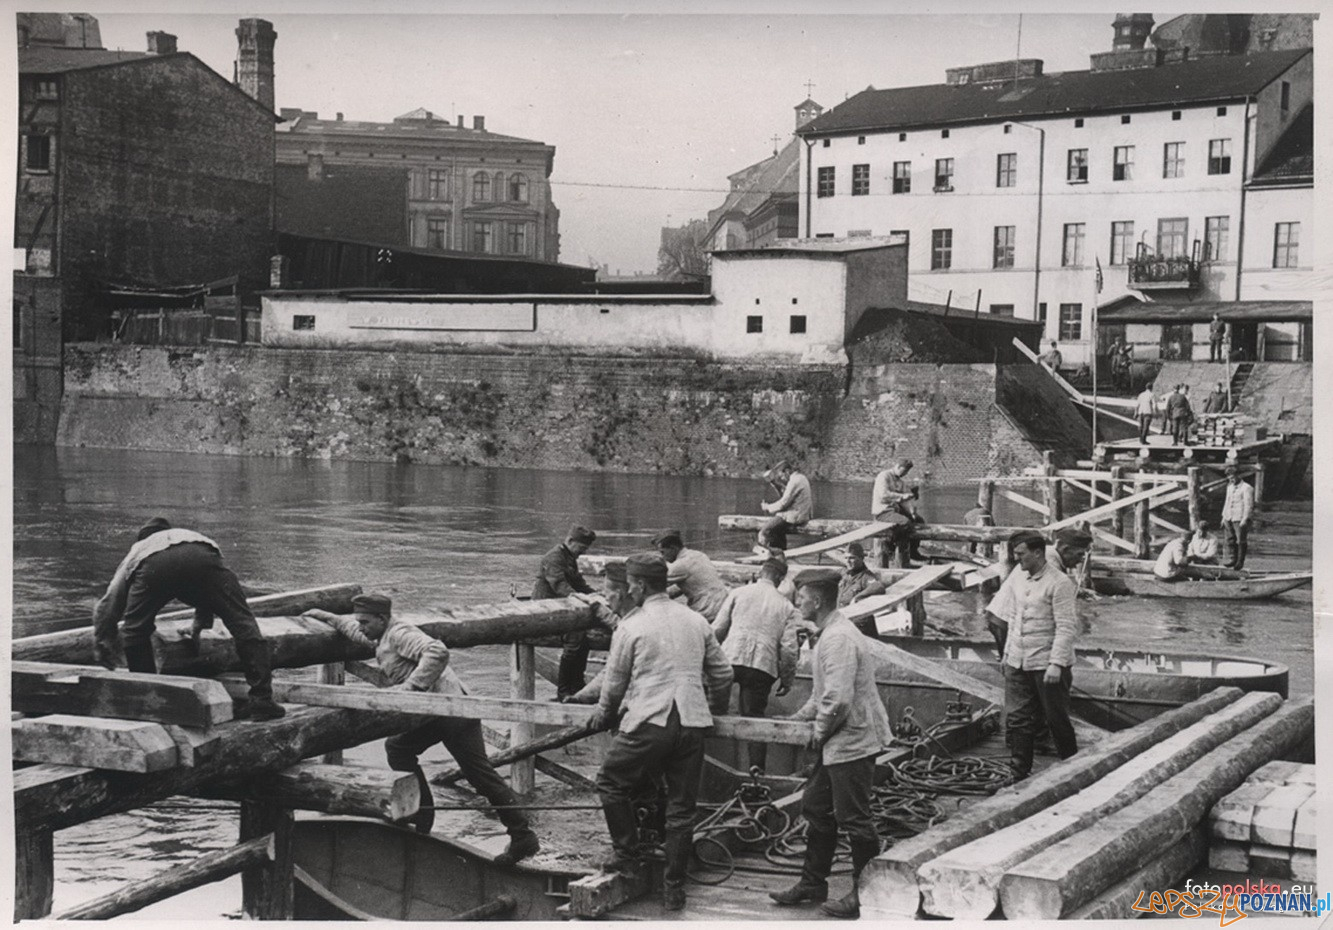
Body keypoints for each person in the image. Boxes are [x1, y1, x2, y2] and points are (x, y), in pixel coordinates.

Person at [307, 593, 541, 865]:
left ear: (383, 619)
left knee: (477, 774)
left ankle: (520, 836)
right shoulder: (381, 633)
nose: (361, 627)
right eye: (359, 621)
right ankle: (423, 812)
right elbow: (354, 631)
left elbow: (437, 651)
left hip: (452, 710)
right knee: (400, 749)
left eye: (365, 622)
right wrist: (324, 616)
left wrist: (412, 687)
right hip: (436, 711)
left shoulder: (400, 633)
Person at [591, 553, 733, 912]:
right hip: (692, 724)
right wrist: (713, 708)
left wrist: (603, 715)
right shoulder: (695, 620)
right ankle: (673, 889)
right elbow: (723, 674)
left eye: (631, 585)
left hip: (652, 721)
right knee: (682, 808)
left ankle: (627, 853)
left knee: (610, 781)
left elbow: (614, 684)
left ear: (637, 586)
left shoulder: (631, 625)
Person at [770, 571, 893, 919]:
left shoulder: (838, 638)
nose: (797, 603)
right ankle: (813, 883)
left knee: (854, 818)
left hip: (852, 739)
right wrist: (797, 720)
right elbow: (822, 694)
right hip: (839, 739)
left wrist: (817, 733)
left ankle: (866, 893)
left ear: (818, 601)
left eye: (801, 597)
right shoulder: (829, 634)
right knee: (815, 804)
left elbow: (837, 701)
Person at [92, 517, 283, 720]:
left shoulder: (140, 549)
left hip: (155, 567)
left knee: (135, 630)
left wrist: (103, 641)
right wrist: (201, 624)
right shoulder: (188, 536)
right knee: (243, 624)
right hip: (204, 557)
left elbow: (110, 602)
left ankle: (149, 700)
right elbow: (207, 585)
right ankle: (262, 700)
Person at [997, 531, 1078, 781]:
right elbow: (1012, 618)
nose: (1016, 558)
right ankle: (1019, 771)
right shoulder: (1018, 578)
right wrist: (1008, 653)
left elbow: (1066, 626)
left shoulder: (1060, 582)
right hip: (1018, 660)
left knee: (1056, 719)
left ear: (1037, 553)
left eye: (1021, 554)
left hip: (1047, 664)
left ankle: (1073, 769)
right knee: (1019, 717)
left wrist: (1056, 663)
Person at [711, 558, 801, 772]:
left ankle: (711, 760)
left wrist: (707, 665)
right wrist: (787, 679)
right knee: (755, 720)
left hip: (730, 658)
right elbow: (789, 649)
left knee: (714, 709)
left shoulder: (738, 593)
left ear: (761, 573)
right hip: (762, 665)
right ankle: (756, 770)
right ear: (780, 579)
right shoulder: (787, 607)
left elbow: (717, 630)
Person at [534, 524, 599, 699]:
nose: (582, 552)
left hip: (561, 608)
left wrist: (596, 595)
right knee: (574, 638)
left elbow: (579, 583)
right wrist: (583, 598)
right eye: (582, 548)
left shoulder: (569, 558)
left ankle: (577, 686)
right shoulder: (554, 558)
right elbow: (559, 586)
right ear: (570, 541)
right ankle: (563, 690)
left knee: (583, 640)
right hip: (544, 610)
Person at [656, 529, 730, 621]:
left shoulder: (681, 565)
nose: (663, 557)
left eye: (663, 552)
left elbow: (652, 580)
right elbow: (686, 585)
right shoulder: (698, 555)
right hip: (723, 605)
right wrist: (665, 595)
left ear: (673, 548)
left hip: (707, 610)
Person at [872, 458, 924, 564]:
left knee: (919, 521)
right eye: (904, 471)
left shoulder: (901, 482)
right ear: (898, 467)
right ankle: (890, 547)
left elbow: (906, 502)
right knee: (904, 522)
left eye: (907, 472)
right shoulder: (884, 476)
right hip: (883, 511)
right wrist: (902, 496)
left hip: (895, 511)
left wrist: (912, 512)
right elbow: (883, 496)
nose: (905, 474)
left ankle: (913, 550)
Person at [759, 462, 813, 552]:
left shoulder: (794, 481)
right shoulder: (800, 478)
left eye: (782, 475)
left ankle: (773, 557)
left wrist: (767, 507)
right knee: (777, 530)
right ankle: (782, 554)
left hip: (796, 516)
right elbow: (786, 494)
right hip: (800, 514)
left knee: (765, 532)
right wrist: (774, 483)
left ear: (787, 471)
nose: (782, 478)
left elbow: (783, 503)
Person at [1220, 467, 1255, 570]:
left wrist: (1245, 518)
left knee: (1240, 540)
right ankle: (1231, 559)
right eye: (1229, 478)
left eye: (1233, 477)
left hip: (1239, 517)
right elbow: (1227, 502)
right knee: (1229, 539)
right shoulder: (1229, 487)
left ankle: (1240, 562)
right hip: (1229, 516)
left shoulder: (1246, 488)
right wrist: (1223, 516)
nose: (1231, 480)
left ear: (1238, 475)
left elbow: (1249, 505)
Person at [837, 542, 887, 607]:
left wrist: (857, 598)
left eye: (852, 558)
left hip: (855, 615)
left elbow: (878, 587)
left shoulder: (866, 576)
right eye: (846, 558)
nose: (848, 561)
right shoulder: (845, 574)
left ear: (861, 558)